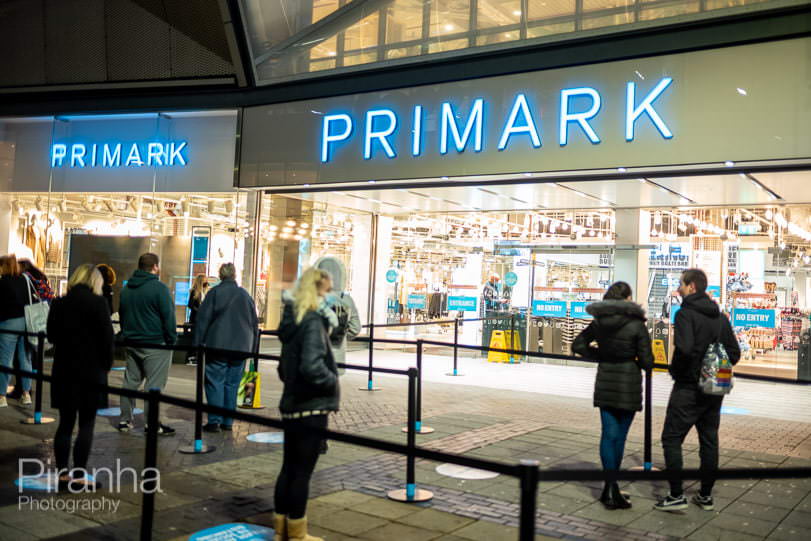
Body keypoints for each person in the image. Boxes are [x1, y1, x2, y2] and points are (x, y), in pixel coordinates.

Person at [655, 269, 740, 512]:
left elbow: (684, 348)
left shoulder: (685, 315)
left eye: (681, 284)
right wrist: (714, 368)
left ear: (691, 287)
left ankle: (675, 495)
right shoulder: (720, 318)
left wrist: (680, 373)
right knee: (709, 440)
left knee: (671, 438)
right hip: (713, 389)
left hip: (688, 388)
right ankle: (705, 495)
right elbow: (734, 353)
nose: (679, 288)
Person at [573, 281, 653, 510]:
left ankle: (609, 488)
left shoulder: (599, 322)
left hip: (606, 379)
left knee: (608, 434)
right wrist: (635, 361)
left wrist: (600, 355)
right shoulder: (636, 324)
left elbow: (578, 344)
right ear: (627, 298)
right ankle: (612, 487)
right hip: (628, 381)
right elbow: (647, 361)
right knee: (620, 437)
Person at [273, 268, 340, 541]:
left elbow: (282, 368)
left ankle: (281, 529)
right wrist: (331, 381)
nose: (329, 297)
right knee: (302, 472)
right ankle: (298, 533)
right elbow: (312, 366)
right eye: (326, 291)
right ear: (317, 291)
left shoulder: (293, 320)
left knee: (288, 468)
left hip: (291, 403)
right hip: (311, 406)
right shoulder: (312, 321)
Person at [47, 264, 113, 492]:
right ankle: (79, 473)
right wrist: (106, 366)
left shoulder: (59, 303)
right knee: (87, 424)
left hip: (64, 369)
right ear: (95, 281)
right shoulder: (99, 303)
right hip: (91, 371)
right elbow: (107, 340)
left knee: (65, 423)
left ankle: (63, 473)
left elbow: (52, 335)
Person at [117, 253, 177, 435]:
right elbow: (169, 318)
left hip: (132, 342)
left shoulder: (127, 289)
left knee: (130, 381)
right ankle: (152, 423)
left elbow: (122, 314)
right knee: (154, 385)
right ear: (155, 267)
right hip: (155, 344)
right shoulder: (159, 288)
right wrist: (171, 340)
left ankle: (124, 420)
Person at [193, 264, 258, 432]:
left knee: (215, 381)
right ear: (235, 275)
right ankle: (228, 421)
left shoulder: (214, 293)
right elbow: (254, 324)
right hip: (241, 348)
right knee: (232, 384)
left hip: (217, 345)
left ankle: (214, 420)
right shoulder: (245, 295)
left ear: (220, 275)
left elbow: (203, 320)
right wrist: (253, 348)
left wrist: (197, 345)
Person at [313, 257, 361, 371]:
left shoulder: (312, 298)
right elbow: (355, 328)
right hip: (337, 355)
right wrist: (341, 336)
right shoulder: (346, 300)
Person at [0, 255, 33, 407]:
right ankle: (26, 394)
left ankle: (1, 396)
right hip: (25, 323)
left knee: (5, 360)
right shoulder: (23, 280)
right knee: (25, 359)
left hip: (8, 323)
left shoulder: (2, 282)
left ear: (3, 267)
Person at [185, 274, 208, 365]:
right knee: (195, 338)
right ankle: (191, 356)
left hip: (203, 319)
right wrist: (199, 311)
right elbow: (190, 305)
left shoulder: (203, 292)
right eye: (205, 280)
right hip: (195, 319)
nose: (206, 282)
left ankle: (197, 356)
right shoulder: (194, 291)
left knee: (201, 338)